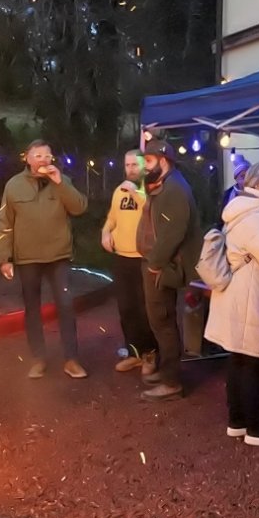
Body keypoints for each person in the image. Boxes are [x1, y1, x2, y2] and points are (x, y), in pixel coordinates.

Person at [204, 161, 259, 448]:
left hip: (241, 294)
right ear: (258, 182)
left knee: (240, 360)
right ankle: (257, 426)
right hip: (250, 297)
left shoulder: (249, 209)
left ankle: (238, 420)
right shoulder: (256, 213)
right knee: (253, 361)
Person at [0, 140, 89, 380]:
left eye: (47, 155)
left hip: (58, 255)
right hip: (27, 257)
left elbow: (79, 207)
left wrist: (60, 183)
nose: (43, 160)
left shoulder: (62, 181)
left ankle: (71, 359)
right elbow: (5, 223)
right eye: (37, 156)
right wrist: (5, 257)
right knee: (32, 309)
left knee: (66, 305)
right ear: (27, 159)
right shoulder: (13, 185)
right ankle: (38, 358)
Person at [136, 138, 202, 401]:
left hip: (162, 267)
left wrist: (155, 264)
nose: (145, 166)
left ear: (163, 161)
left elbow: (172, 233)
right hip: (159, 264)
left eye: (149, 161)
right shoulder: (165, 185)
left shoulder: (174, 189)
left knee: (162, 322)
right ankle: (167, 372)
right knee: (161, 321)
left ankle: (171, 382)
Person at [101, 149, 158, 374]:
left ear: (144, 166)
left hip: (143, 259)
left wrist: (136, 193)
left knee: (146, 309)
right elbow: (112, 218)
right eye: (127, 165)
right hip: (122, 258)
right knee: (126, 309)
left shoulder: (151, 190)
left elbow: (152, 214)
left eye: (135, 164)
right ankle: (134, 353)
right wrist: (105, 232)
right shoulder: (119, 191)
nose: (131, 169)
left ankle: (150, 354)